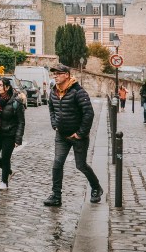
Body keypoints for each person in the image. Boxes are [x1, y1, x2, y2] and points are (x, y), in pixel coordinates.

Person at [44, 64, 103, 207]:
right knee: (57, 164)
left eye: (58, 74)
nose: (55, 76)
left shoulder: (78, 91)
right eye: (54, 74)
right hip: (61, 136)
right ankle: (56, 196)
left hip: (78, 137)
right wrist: (54, 123)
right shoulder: (54, 91)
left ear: (67, 75)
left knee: (81, 165)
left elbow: (89, 114)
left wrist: (80, 133)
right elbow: (51, 107)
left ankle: (96, 188)